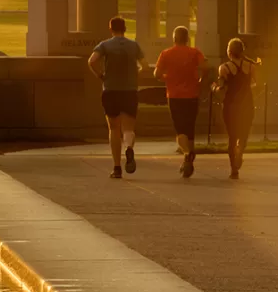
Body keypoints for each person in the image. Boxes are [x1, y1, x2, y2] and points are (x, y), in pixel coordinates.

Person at [88, 17, 145, 179]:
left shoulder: (105, 45)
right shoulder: (133, 45)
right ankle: (129, 147)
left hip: (111, 89)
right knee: (128, 128)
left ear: (110, 28)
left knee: (114, 129)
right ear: (125, 28)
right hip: (129, 90)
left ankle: (117, 168)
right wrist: (135, 75)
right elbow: (145, 65)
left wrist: (101, 75)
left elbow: (91, 61)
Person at [154, 26, 205, 178]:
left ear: (174, 38)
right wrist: (201, 80)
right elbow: (206, 67)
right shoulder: (195, 52)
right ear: (187, 38)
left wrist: (166, 78)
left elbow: (156, 73)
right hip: (192, 95)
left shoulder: (166, 53)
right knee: (190, 129)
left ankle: (187, 153)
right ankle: (187, 159)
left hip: (175, 95)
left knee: (179, 130)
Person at [216, 38, 258, 180]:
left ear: (229, 52)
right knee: (244, 134)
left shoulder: (224, 68)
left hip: (230, 106)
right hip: (247, 104)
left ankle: (234, 170)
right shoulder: (251, 66)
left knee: (232, 137)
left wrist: (214, 88)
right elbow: (255, 84)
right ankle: (241, 149)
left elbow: (221, 87)